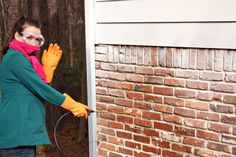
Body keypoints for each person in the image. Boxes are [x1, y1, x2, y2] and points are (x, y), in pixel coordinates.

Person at [0, 16, 90, 157]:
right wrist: (72, 105)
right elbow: (42, 90)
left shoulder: (27, 59)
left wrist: (48, 69)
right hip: (16, 134)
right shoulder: (15, 58)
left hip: (24, 134)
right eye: (29, 37)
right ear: (17, 36)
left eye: (38, 39)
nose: (34, 42)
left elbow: (38, 88)